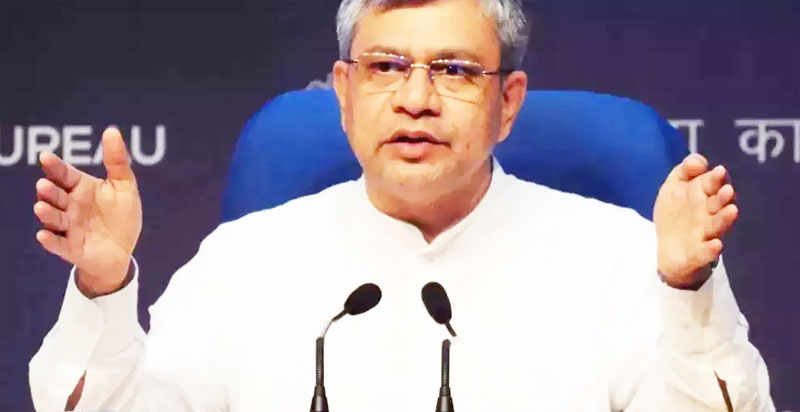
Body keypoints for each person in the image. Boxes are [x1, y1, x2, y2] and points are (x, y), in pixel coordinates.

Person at [29, 0, 774, 411]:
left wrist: (687, 289)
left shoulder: (614, 255)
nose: (416, 99)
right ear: (345, 93)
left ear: (509, 103)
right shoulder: (244, 262)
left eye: (454, 70)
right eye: (386, 67)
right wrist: (103, 286)